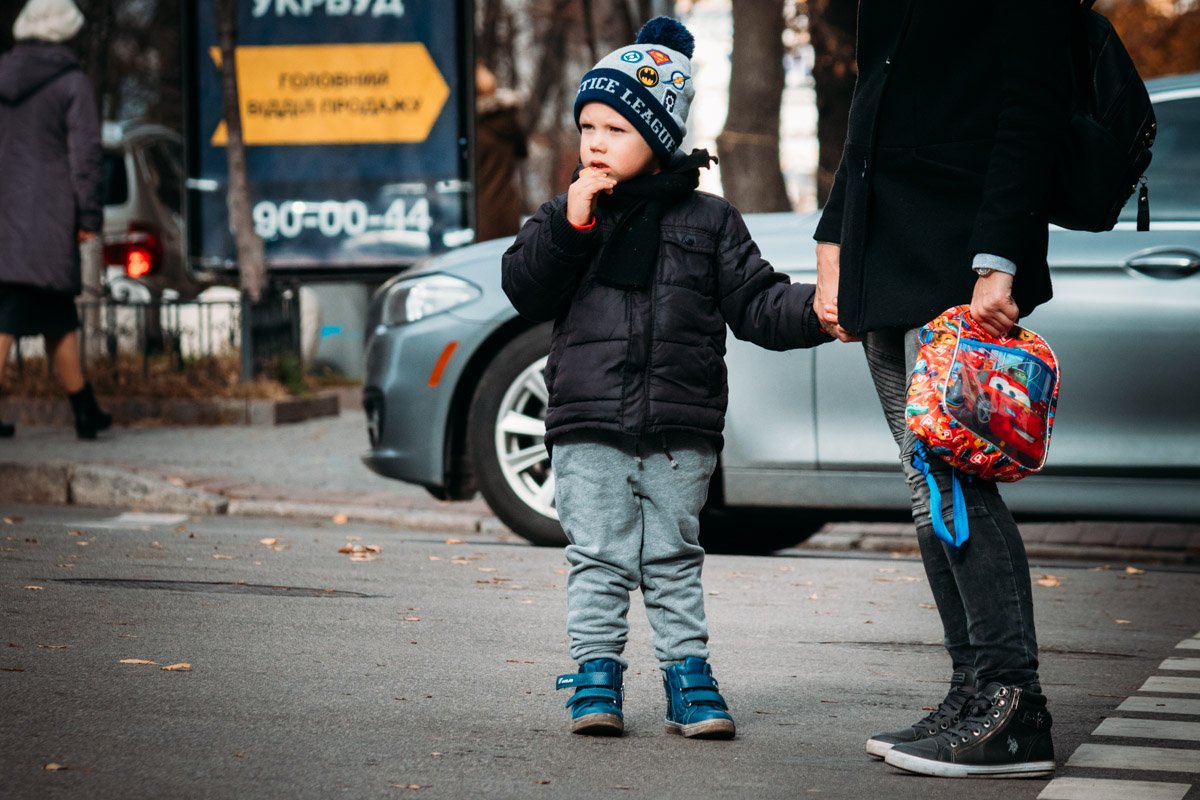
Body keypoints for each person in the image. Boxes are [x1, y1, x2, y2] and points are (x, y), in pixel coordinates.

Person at [502, 17, 831, 740]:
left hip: (681, 426)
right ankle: (595, 678)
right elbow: (525, 287)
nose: (594, 141)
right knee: (599, 553)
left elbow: (758, 304)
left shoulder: (710, 222)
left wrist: (821, 311)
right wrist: (570, 226)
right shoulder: (569, 216)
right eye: (587, 125)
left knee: (674, 556)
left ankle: (689, 679)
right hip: (587, 420)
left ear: (658, 136)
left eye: (615, 128)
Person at [813, 0, 1073, 778]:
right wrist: (834, 237)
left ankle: (1014, 705)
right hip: (887, 248)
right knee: (927, 483)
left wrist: (1001, 254)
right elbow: (873, 100)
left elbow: (1034, 106)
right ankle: (971, 692)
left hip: (958, 256)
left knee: (956, 481)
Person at [0, 0, 111, 440]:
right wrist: (88, 214)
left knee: (56, 318)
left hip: (4, 213)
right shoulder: (72, 83)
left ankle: (85, 408)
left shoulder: (2, 73)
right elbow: (85, 157)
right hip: (47, 216)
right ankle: (85, 411)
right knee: (9, 315)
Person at [474, 61, 528, 242]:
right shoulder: (509, 120)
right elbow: (523, 151)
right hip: (508, 207)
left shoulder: (473, 128)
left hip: (480, 213)